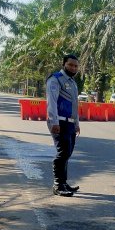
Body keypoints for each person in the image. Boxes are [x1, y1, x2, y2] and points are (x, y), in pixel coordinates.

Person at [46, 54, 81, 197]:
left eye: (76, 66)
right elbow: (52, 102)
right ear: (64, 64)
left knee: (67, 153)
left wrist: (77, 124)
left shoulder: (73, 83)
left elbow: (75, 105)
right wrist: (54, 122)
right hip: (59, 121)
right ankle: (57, 185)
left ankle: (64, 183)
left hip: (70, 123)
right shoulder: (55, 79)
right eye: (70, 65)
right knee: (62, 153)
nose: (73, 68)